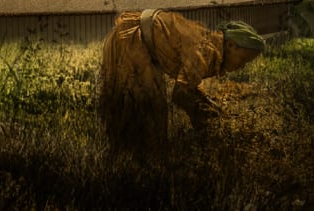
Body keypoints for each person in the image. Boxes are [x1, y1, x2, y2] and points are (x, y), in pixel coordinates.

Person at [98, 9, 265, 153]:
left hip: (138, 40)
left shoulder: (210, 47)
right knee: (149, 109)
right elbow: (180, 94)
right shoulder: (205, 51)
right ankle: (139, 163)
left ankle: (133, 157)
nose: (242, 66)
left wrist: (211, 106)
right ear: (230, 46)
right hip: (131, 39)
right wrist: (205, 120)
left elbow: (189, 86)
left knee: (147, 110)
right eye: (243, 59)